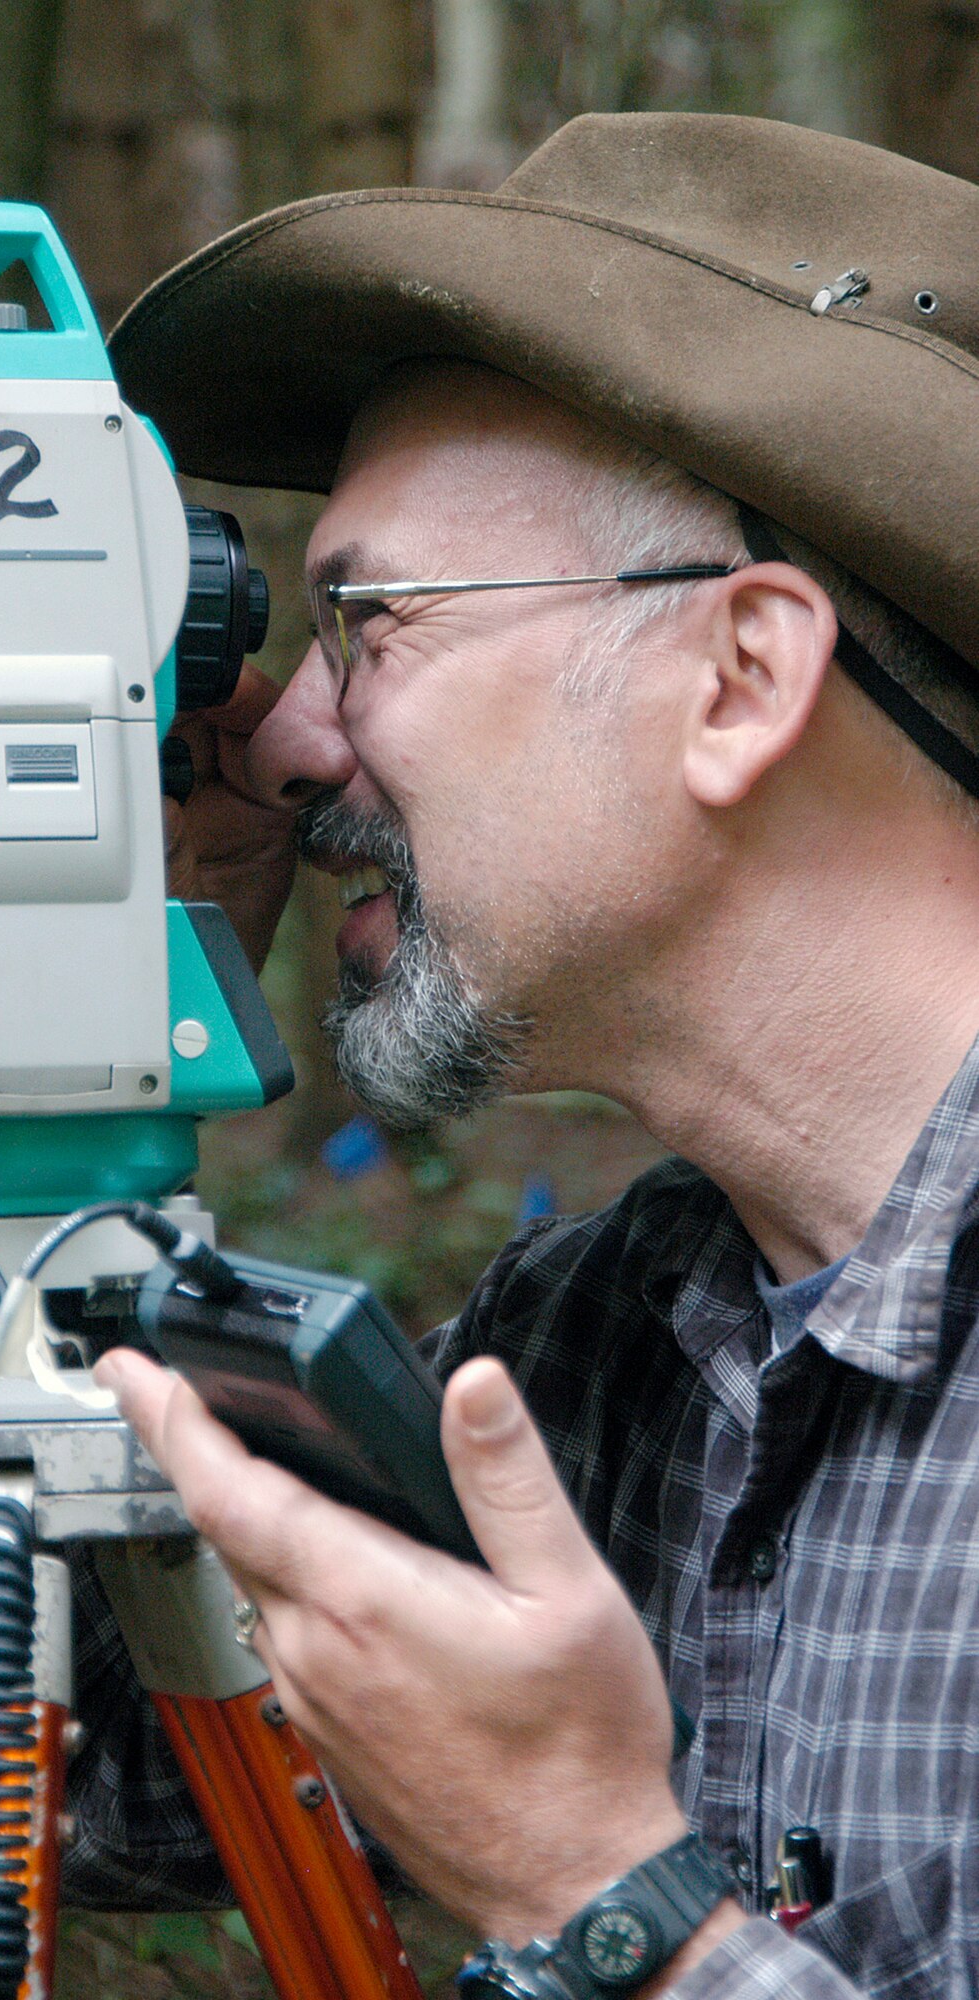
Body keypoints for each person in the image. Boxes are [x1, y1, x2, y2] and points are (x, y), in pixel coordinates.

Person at [68, 113, 979, 1997]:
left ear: (739, 679)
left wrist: (598, 1885)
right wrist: (91, 1011)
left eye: (368, 623)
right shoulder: (607, 1339)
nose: (287, 747)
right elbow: (64, 1753)